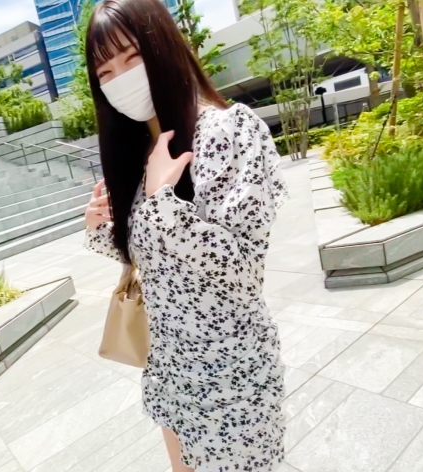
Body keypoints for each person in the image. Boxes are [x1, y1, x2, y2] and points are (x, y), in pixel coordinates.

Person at [81, 0, 289, 470]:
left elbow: (243, 270)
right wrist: (102, 232)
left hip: (231, 374)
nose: (121, 78)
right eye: (106, 72)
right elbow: (158, 259)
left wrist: (162, 202)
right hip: (169, 369)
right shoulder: (140, 155)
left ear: (162, 47)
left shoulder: (230, 129)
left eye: (133, 57)